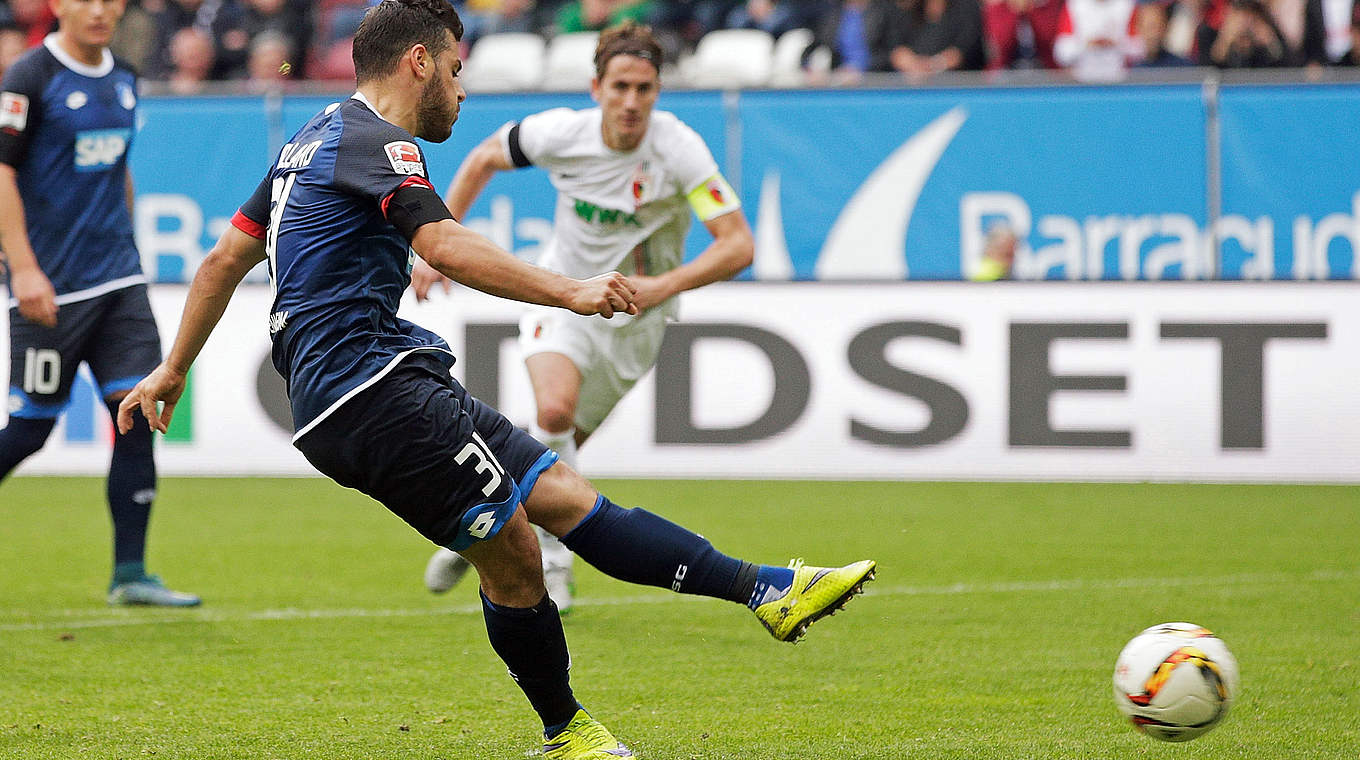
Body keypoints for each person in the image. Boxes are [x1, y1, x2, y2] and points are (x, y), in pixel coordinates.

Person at [116, 1, 875, 757]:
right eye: (455, 68)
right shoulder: (379, 145)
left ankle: (769, 589)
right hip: (366, 391)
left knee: (566, 499)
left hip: (388, 376)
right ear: (419, 62)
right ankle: (567, 731)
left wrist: (173, 369)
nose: (461, 87)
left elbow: (223, 259)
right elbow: (442, 244)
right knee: (513, 550)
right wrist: (571, 289)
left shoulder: (309, 140)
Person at [416, 20, 756, 613]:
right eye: (620, 86)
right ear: (596, 87)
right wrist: (437, 245)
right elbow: (481, 160)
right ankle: (553, 566)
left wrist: (661, 286)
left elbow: (736, 245)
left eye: (644, 89)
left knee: (553, 456)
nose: (631, 101)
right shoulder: (560, 133)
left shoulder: (679, 152)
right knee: (554, 410)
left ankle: (482, 526)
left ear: (657, 92)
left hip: (637, 323)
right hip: (566, 297)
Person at [0, 0, 200, 606]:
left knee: (139, 413)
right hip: (52, 289)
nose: (100, 10)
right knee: (30, 430)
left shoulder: (125, 75)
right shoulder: (29, 78)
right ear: (58, 5)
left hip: (119, 284)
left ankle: (131, 573)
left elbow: (118, 169)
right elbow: (3, 173)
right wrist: (24, 268)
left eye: (110, 0)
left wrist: (126, 239)